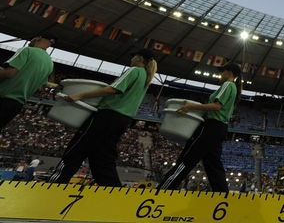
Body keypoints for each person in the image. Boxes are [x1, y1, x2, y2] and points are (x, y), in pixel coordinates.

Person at [49, 49, 157, 186]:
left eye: (134, 56)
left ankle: (55, 183)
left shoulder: (135, 70)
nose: (132, 58)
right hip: (122, 120)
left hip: (108, 115)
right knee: (102, 158)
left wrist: (79, 95)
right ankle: (112, 191)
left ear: (140, 58)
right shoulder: (146, 76)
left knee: (77, 148)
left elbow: (112, 89)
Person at [158, 62, 243, 192]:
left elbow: (217, 106)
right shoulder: (234, 87)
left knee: (187, 159)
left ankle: (163, 189)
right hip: (220, 128)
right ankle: (222, 195)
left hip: (211, 127)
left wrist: (191, 106)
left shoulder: (228, 84)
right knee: (213, 164)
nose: (220, 74)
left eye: (222, 71)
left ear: (229, 73)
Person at [0, 34, 56, 129]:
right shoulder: (50, 63)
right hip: (17, 105)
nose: (30, 41)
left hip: (3, 98)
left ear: (38, 37)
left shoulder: (27, 50)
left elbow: (9, 73)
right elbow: (39, 88)